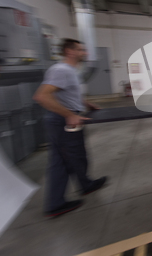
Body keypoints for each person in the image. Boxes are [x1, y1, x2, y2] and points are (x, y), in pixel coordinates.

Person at [33, 38, 108, 217]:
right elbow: (42, 96)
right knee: (63, 161)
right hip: (62, 121)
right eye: (81, 50)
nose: (85, 53)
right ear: (70, 51)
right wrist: (69, 114)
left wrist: (86, 103)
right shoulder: (61, 70)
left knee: (76, 155)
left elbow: (67, 93)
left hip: (66, 117)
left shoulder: (71, 71)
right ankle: (55, 204)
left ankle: (86, 185)